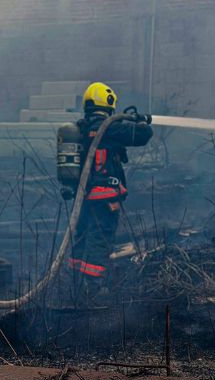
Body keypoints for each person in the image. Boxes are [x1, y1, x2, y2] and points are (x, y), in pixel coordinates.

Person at [64, 83, 152, 281]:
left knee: (82, 237)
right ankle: (92, 288)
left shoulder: (80, 128)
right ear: (109, 103)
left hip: (83, 197)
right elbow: (144, 135)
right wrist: (140, 120)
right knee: (99, 239)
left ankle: (74, 285)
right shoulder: (109, 128)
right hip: (104, 197)